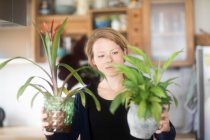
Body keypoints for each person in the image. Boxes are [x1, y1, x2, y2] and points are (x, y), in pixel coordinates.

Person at [42, 28, 176, 140]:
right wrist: (49, 130)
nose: (109, 60)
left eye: (114, 52)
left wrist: (164, 129)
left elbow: (165, 136)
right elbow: (66, 138)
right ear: (93, 61)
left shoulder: (145, 91)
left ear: (124, 53)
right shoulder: (84, 97)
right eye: (101, 55)